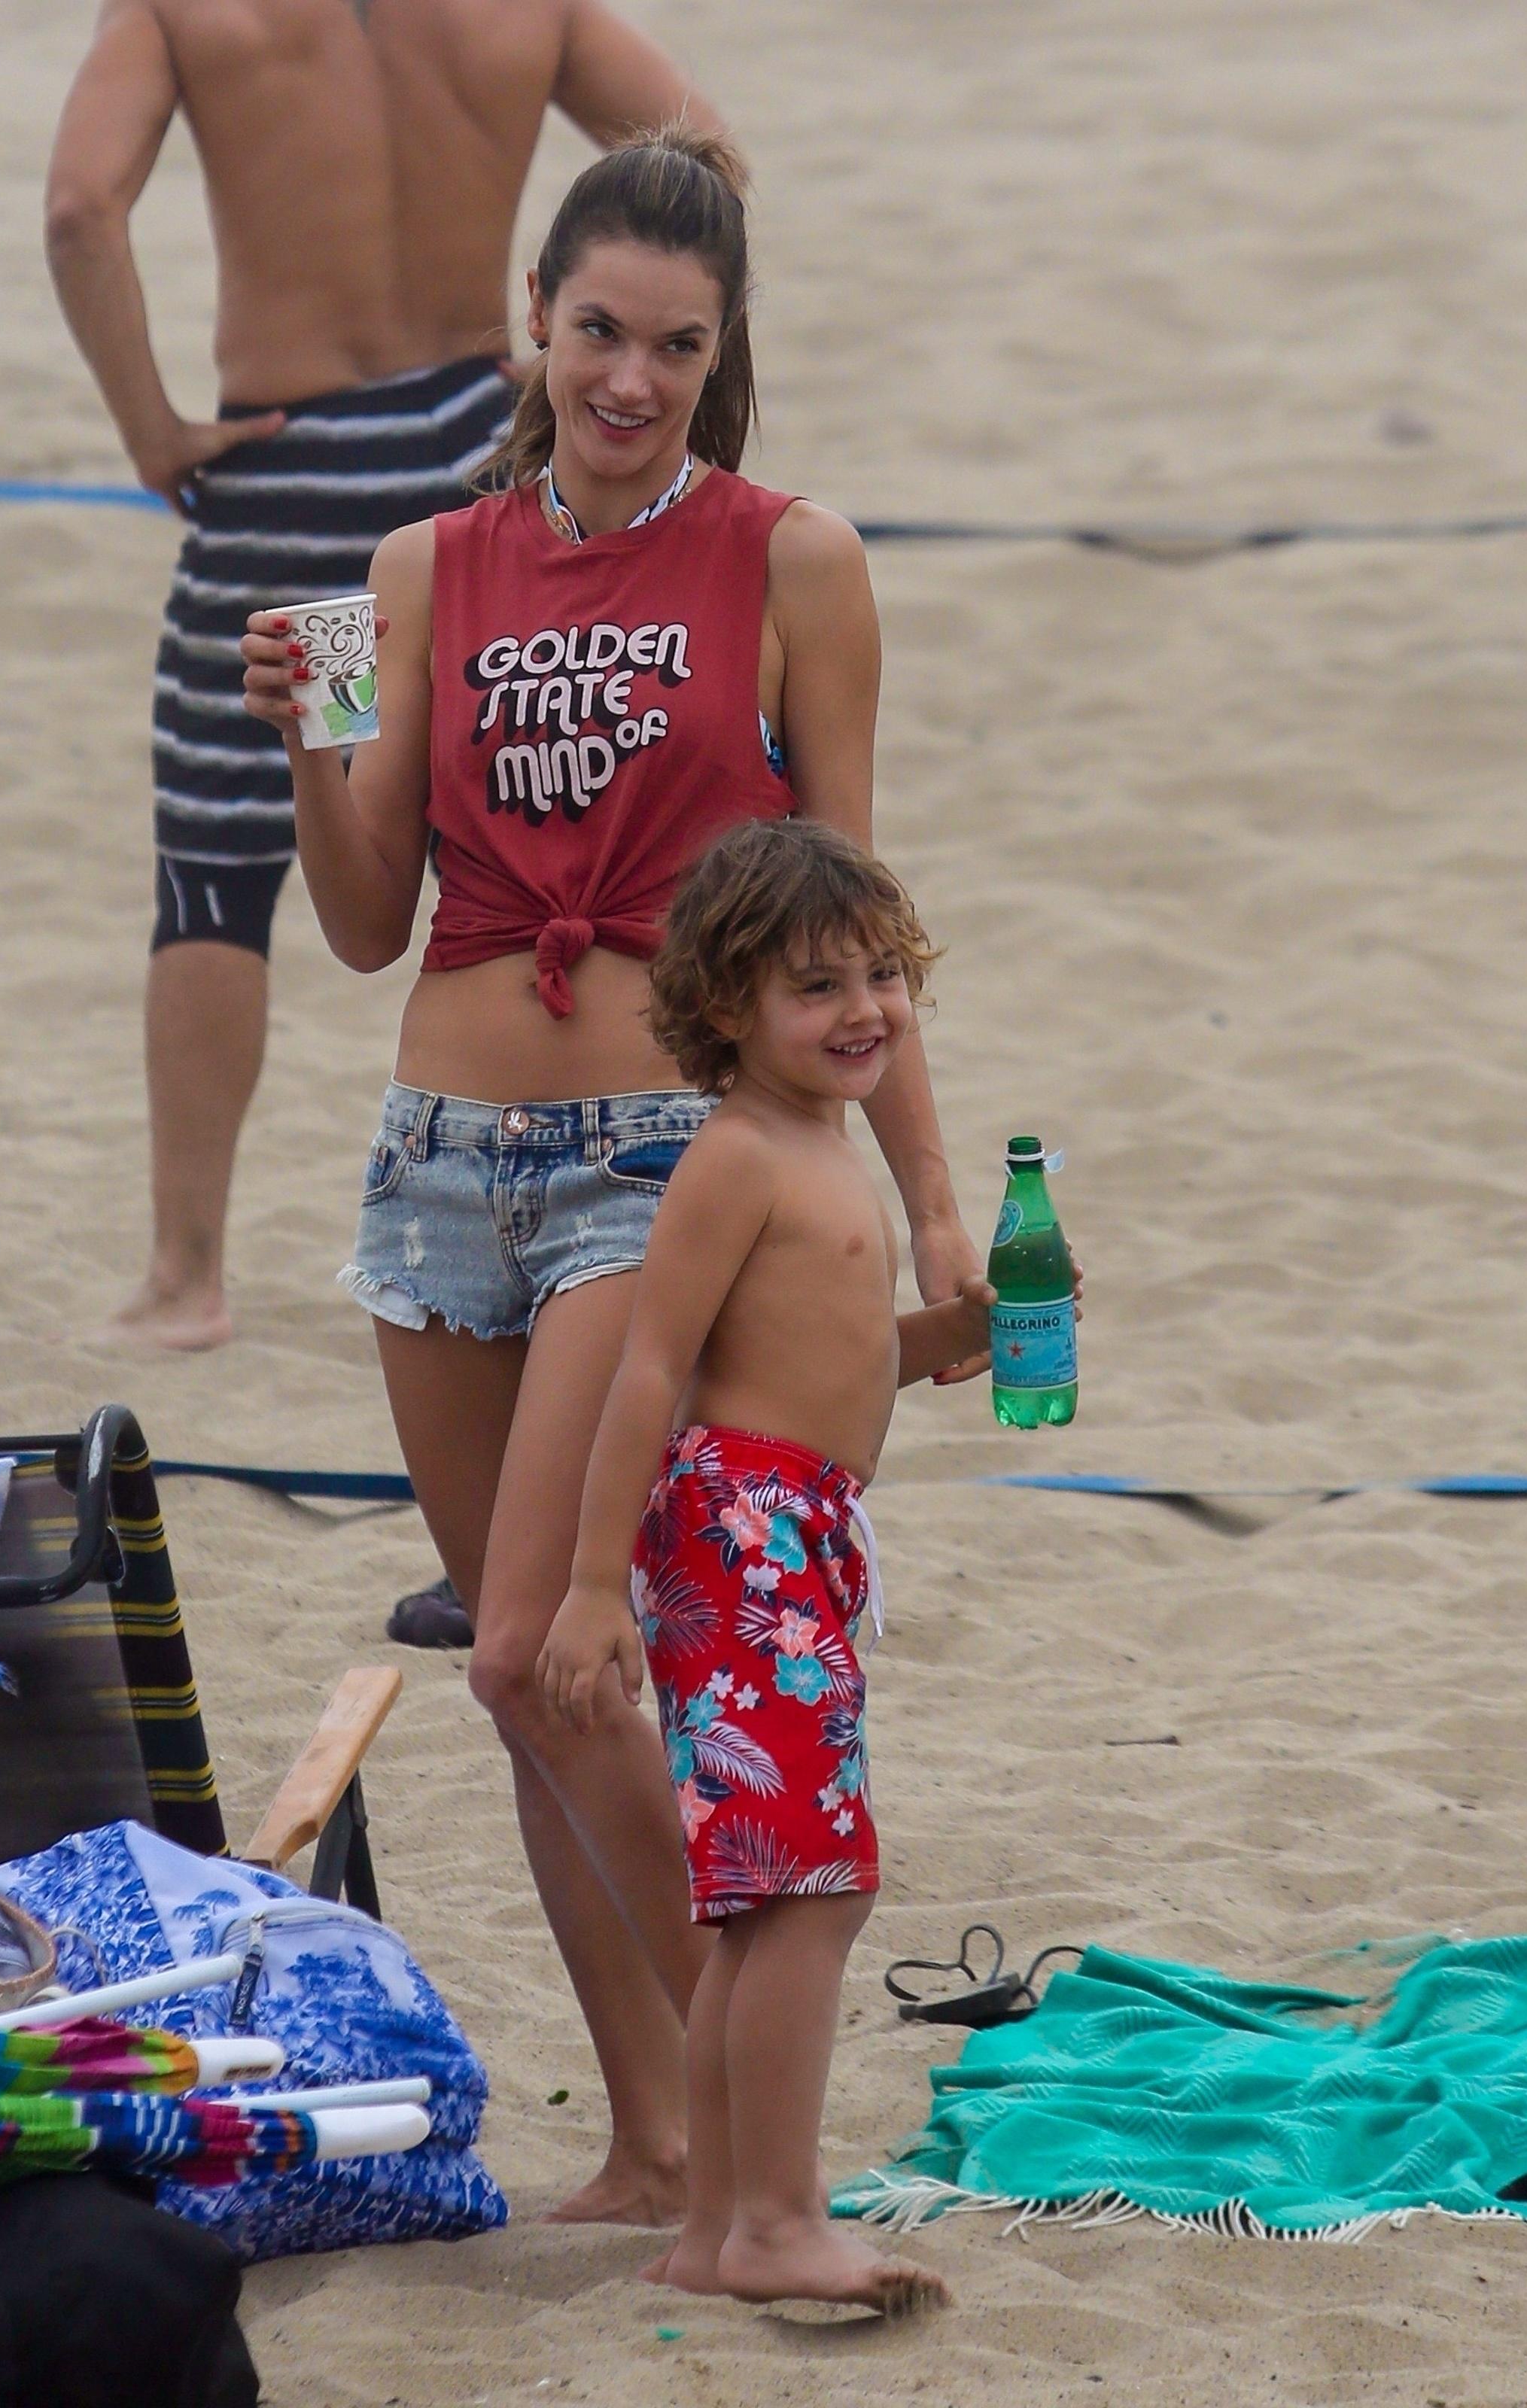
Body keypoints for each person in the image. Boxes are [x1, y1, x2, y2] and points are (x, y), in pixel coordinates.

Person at [240, 130, 988, 2226]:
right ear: (538, 326)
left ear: (720, 353)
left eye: (675, 345)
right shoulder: (415, 572)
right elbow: (371, 917)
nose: (629, 378)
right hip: (434, 1163)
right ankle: (657, 2133)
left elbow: (853, 915)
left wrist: (929, 1198)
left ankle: (756, 2147)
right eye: (597, 333)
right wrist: (311, 735)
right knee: (528, 1687)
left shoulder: (790, 560)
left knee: (535, 1656)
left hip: (651, 1159)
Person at [43, 0, 719, 1349]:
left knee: (223, 863)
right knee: (527, 843)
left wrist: (153, 428)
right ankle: (580, 1213)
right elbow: (697, 158)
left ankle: (188, 1277)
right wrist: (573, 353)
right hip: (479, 461)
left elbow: (79, 209)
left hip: (301, 482)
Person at [538, 819, 985, 2310]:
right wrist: (593, 1585)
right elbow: (653, 1370)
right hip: (745, 1532)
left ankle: (719, 2223)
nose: (864, 1009)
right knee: (810, 1887)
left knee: (758, 1894)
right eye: (818, 987)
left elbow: (824, 1351)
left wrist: (937, 1344)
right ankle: (782, 2219)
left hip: (791, 1527)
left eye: (881, 976)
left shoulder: (820, 1139)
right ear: (728, 1009)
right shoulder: (736, 1155)